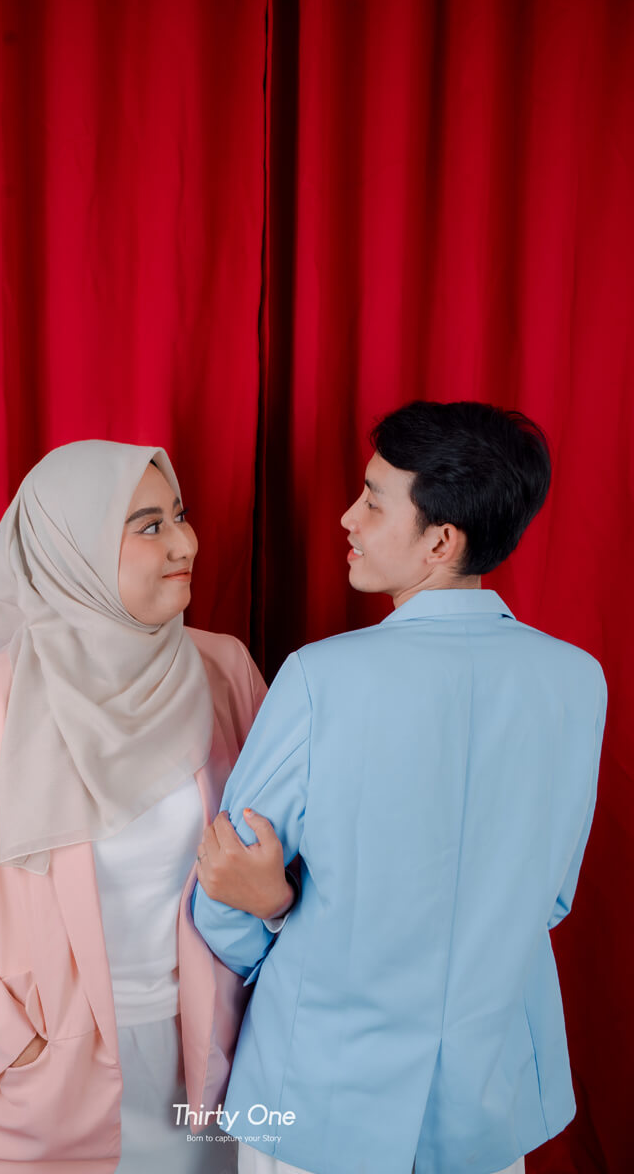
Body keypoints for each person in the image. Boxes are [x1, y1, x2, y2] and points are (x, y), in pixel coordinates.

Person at [192, 401, 607, 1174]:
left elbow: (224, 887)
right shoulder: (578, 680)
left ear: (440, 542)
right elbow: (551, 898)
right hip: (489, 1098)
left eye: (373, 502)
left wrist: (276, 911)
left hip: (320, 1089)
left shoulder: (320, 677)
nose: (347, 517)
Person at [0, 439, 280, 1174]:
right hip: (32, 1102)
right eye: (149, 526)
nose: (184, 543)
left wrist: (272, 904)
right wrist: (9, 1042)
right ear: (72, 549)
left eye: (180, 516)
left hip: (202, 1073)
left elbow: (282, 853)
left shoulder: (225, 670)